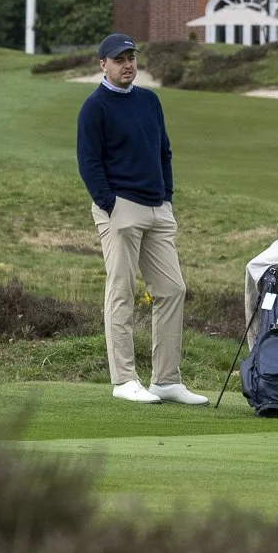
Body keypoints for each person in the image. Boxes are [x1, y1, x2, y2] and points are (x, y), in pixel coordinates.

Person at [76, 34, 204, 406]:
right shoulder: (94, 107)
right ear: (103, 64)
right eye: (120, 60)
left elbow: (164, 151)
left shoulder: (150, 100)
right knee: (121, 292)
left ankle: (166, 380)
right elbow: (89, 162)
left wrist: (167, 197)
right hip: (120, 208)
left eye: (131, 58)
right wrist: (109, 203)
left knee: (172, 289)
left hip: (156, 207)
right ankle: (124, 379)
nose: (128, 65)